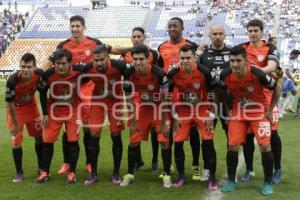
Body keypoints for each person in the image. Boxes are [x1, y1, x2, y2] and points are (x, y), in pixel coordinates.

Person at [43, 15, 129, 175]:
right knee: (67, 126)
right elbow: (50, 62)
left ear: (84, 27)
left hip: (90, 86)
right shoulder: (63, 45)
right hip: (72, 88)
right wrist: (40, 73)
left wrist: (133, 48)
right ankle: (67, 162)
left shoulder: (95, 42)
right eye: (72, 26)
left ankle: (90, 162)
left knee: (88, 127)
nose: (75, 29)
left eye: (78, 26)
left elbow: (114, 51)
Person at [220, 46, 280, 196]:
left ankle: (267, 183)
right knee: (232, 146)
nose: (234, 64)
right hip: (239, 113)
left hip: (259, 112)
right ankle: (232, 181)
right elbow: (221, 90)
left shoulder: (257, 73)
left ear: (245, 61)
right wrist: (228, 111)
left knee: (265, 146)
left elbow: (277, 89)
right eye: (232, 61)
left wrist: (270, 110)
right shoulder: (225, 74)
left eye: (238, 61)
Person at [120, 44, 172, 188]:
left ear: (148, 58)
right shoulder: (129, 73)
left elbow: (164, 100)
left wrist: (162, 123)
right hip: (143, 109)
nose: (137, 62)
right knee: (133, 140)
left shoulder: (160, 75)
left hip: (159, 110)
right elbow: (128, 97)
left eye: (141, 59)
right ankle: (129, 174)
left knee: (164, 140)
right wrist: (132, 120)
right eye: (135, 59)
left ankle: (166, 174)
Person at [76, 45, 128, 185]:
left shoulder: (119, 66)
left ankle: (116, 173)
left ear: (108, 58)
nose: (98, 63)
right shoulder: (88, 68)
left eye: (102, 60)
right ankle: (93, 173)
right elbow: (76, 75)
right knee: (94, 135)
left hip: (115, 103)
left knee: (115, 135)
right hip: (97, 102)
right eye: (96, 60)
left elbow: (131, 74)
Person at [168, 45, 217, 190]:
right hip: (183, 111)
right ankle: (181, 176)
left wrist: (211, 115)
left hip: (203, 109)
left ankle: (212, 178)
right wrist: (175, 114)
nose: (185, 61)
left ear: (194, 58)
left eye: (188, 58)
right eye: (182, 58)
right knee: (177, 143)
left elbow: (214, 93)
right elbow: (169, 95)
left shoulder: (204, 72)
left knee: (208, 143)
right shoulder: (173, 73)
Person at [157, 17, 201, 180]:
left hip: (188, 95)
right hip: (170, 93)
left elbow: (198, 69)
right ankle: (168, 165)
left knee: (193, 130)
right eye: (170, 26)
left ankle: (196, 165)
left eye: (175, 26)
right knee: (168, 129)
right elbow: (160, 71)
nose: (172, 29)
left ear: (182, 28)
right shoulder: (162, 47)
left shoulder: (190, 45)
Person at [239, 19, 282, 184]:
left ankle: (277, 168)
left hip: (268, 97)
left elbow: (272, 66)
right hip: (248, 99)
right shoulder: (243, 48)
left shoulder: (270, 48)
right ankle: (249, 169)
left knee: (273, 134)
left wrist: (255, 74)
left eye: (256, 30)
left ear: (262, 32)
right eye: (250, 30)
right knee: (247, 136)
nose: (253, 33)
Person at [35, 49, 85, 184]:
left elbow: (93, 71)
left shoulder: (79, 71)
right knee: (47, 142)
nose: (60, 66)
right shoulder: (49, 74)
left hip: (73, 110)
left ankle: (72, 174)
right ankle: (45, 172)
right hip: (54, 111)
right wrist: (45, 113)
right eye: (57, 63)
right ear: (54, 64)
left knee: (73, 141)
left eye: (63, 63)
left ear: (70, 63)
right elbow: (42, 93)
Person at [121, 27, 160, 172]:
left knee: (155, 130)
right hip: (134, 94)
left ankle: (155, 159)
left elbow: (159, 71)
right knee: (134, 127)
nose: (136, 39)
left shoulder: (154, 54)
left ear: (144, 38)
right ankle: (137, 160)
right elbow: (124, 73)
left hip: (149, 94)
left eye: (139, 36)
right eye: (134, 36)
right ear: (131, 39)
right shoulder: (125, 55)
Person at [197, 24, 231, 181]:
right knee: (207, 137)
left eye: (220, 33)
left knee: (232, 137)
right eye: (214, 34)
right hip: (208, 103)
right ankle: (207, 169)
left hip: (228, 103)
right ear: (210, 36)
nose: (217, 36)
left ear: (225, 35)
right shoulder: (203, 55)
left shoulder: (232, 53)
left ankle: (232, 170)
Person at [5, 53, 43, 183]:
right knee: (16, 141)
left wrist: (45, 114)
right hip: (16, 109)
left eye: (28, 66)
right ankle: (19, 172)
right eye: (23, 66)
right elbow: (9, 104)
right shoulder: (12, 80)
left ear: (34, 67)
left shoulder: (39, 74)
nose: (25, 69)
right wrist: (15, 124)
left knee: (40, 137)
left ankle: (41, 167)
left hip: (32, 108)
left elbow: (43, 92)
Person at [278, 50, 300, 117]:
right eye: (297, 55)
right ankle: (280, 110)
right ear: (293, 54)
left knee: (292, 92)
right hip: (286, 79)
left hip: (286, 79)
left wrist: (295, 71)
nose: (297, 57)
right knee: (286, 94)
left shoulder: (290, 61)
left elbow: (289, 70)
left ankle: (286, 107)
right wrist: (292, 78)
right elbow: (287, 71)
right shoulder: (288, 61)